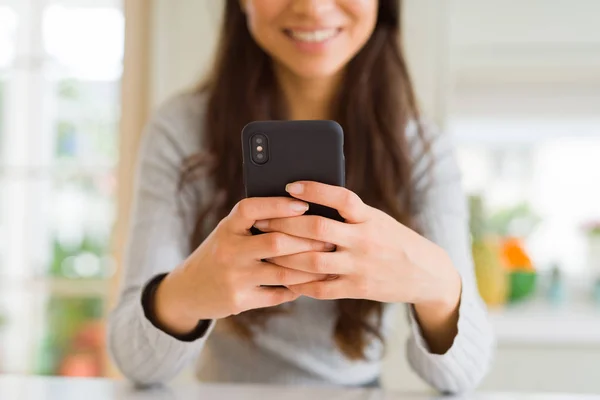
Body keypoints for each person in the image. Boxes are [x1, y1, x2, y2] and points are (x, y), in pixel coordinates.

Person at [108, 0, 494, 393]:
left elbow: (463, 377)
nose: (313, 8)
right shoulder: (180, 133)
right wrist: (188, 293)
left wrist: (436, 283)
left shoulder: (421, 149)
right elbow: (136, 364)